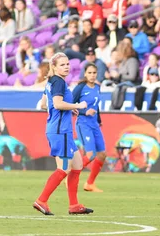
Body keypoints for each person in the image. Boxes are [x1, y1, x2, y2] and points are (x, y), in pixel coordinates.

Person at [33, 53, 93, 216]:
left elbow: (44, 104)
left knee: (78, 165)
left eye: (67, 64)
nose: (66, 66)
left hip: (59, 129)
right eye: (62, 64)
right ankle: (41, 200)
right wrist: (77, 105)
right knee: (64, 169)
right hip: (60, 131)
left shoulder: (51, 81)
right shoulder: (58, 82)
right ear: (54, 67)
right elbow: (58, 104)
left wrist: (68, 108)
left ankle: (74, 205)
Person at [71, 63, 107, 193]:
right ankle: (71, 176)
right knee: (91, 154)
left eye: (94, 73)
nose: (92, 75)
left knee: (102, 154)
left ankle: (89, 184)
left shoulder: (97, 87)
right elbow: (70, 105)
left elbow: (96, 107)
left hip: (94, 124)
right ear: (85, 74)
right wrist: (84, 112)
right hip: (83, 123)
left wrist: (99, 120)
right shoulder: (80, 88)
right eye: (89, 73)